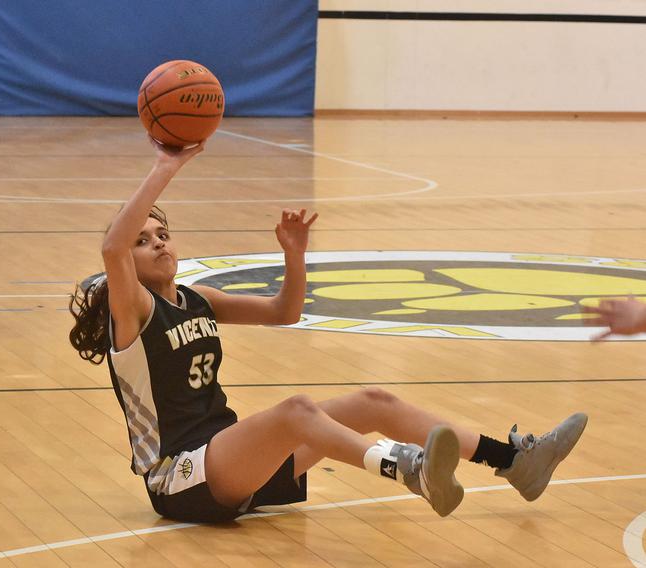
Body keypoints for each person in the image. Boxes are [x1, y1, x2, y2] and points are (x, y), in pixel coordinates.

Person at [68, 138, 588, 523]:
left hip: (233, 459)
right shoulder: (132, 313)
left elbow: (284, 312)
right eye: (144, 240)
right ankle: (405, 468)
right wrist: (168, 164)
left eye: (163, 233)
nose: (159, 243)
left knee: (374, 401)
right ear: (126, 267)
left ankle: (516, 460)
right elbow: (112, 247)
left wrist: (295, 256)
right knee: (297, 411)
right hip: (181, 475)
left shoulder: (197, 299)